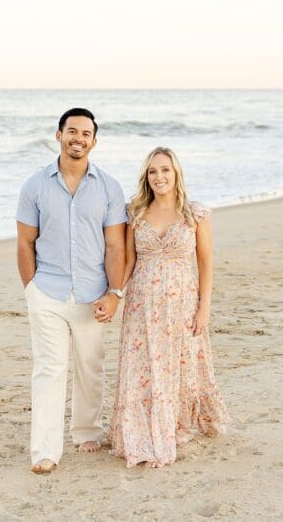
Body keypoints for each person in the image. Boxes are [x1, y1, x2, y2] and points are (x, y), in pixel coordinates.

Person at [15, 108, 128, 474]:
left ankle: (86, 432)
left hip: (92, 294)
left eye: (86, 133)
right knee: (49, 369)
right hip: (47, 290)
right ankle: (45, 452)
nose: (78, 138)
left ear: (94, 141)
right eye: (72, 131)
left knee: (90, 366)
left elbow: (115, 246)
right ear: (59, 135)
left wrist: (114, 292)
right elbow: (24, 242)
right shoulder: (34, 185)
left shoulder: (109, 187)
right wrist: (31, 289)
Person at [109, 146, 230, 468]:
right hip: (142, 303)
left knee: (180, 365)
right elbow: (129, 260)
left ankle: (175, 424)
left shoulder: (195, 214)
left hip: (182, 302)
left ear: (176, 173)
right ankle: (140, 431)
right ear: (146, 177)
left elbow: (205, 264)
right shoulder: (134, 213)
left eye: (164, 170)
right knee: (142, 368)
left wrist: (204, 309)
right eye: (152, 171)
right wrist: (115, 294)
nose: (159, 176)